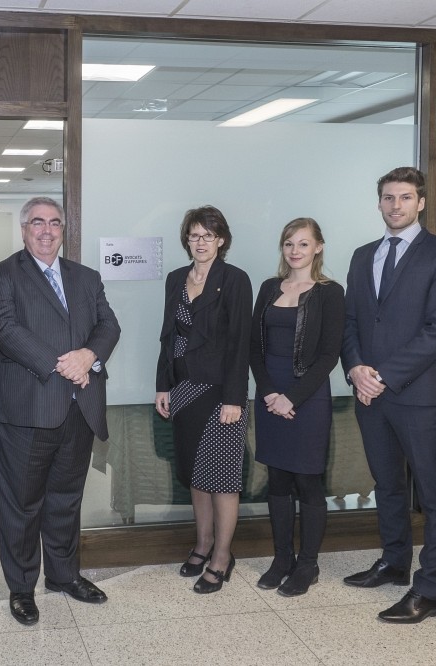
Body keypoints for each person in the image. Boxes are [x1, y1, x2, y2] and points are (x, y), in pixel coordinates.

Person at [0, 196, 120, 625]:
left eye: (54, 223)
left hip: (78, 409)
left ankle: (64, 575)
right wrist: (67, 363)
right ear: (23, 230)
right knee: (21, 504)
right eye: (37, 223)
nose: (46, 230)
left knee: (65, 499)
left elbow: (108, 325)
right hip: (27, 409)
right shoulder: (2, 275)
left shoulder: (86, 277)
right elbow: (5, 330)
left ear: (64, 229)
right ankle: (22, 588)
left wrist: (89, 356)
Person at [341, 166, 436, 623]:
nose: (396, 206)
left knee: (434, 493)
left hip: (415, 393)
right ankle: (395, 563)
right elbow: (351, 321)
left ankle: (429, 591)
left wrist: (384, 375)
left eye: (405, 197)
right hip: (369, 394)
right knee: (387, 485)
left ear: (422, 203)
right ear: (379, 203)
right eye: (388, 198)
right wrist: (356, 369)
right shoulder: (362, 255)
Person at [155, 205, 252, 594]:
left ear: (221, 240)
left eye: (208, 235)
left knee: (223, 478)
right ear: (187, 239)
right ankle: (202, 543)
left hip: (220, 394)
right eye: (194, 235)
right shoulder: (176, 278)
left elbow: (240, 343)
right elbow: (167, 336)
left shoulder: (234, 279)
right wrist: (163, 386)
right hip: (183, 391)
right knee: (196, 475)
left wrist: (235, 399)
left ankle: (223, 557)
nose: (200, 242)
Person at [249, 218, 345, 597]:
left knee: (307, 481)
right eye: (289, 243)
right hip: (269, 395)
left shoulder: (329, 292)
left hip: (307, 397)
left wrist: (292, 397)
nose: (295, 251)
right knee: (277, 480)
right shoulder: (269, 287)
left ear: (318, 247)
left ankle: (308, 564)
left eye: (304, 244)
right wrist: (271, 393)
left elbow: (329, 354)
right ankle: (281, 559)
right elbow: (253, 347)